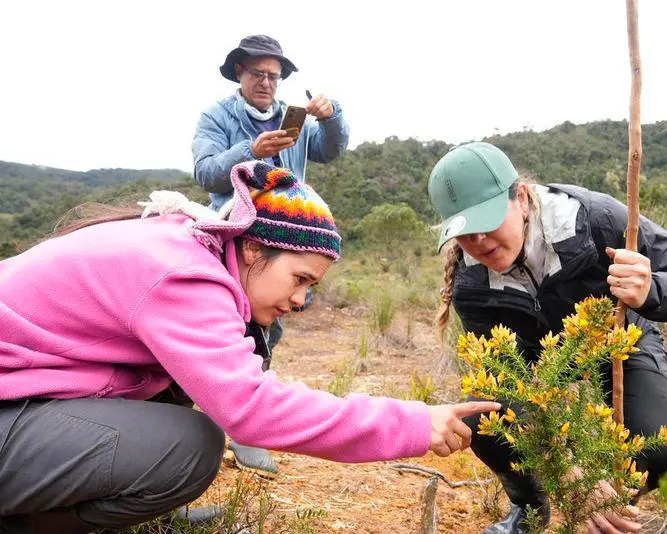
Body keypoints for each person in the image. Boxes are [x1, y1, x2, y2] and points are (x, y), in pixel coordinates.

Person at [0, 161, 499, 534]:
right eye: (300, 278)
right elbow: (251, 409)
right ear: (255, 248)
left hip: (19, 398)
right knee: (187, 448)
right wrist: (413, 423)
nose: (301, 300)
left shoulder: (184, 246)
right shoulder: (186, 276)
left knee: (173, 395)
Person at [427, 142, 667, 534]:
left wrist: (650, 290)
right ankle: (530, 509)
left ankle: (611, 507)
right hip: (534, 364)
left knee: (656, 448)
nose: (479, 242)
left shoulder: (595, 220)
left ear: (520, 198)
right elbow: (502, 380)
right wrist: (564, 467)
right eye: (465, 234)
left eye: (487, 221)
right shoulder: (471, 283)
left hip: (614, 341)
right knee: (486, 422)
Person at [191, 33, 350, 475]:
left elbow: (331, 148)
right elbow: (205, 173)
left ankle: (246, 426)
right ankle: (189, 422)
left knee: (265, 327)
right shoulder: (216, 116)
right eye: (258, 74)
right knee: (215, 323)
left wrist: (333, 114)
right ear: (239, 73)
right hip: (234, 234)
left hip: (284, 234)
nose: (266, 83)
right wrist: (249, 152)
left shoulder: (290, 118)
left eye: (274, 76)